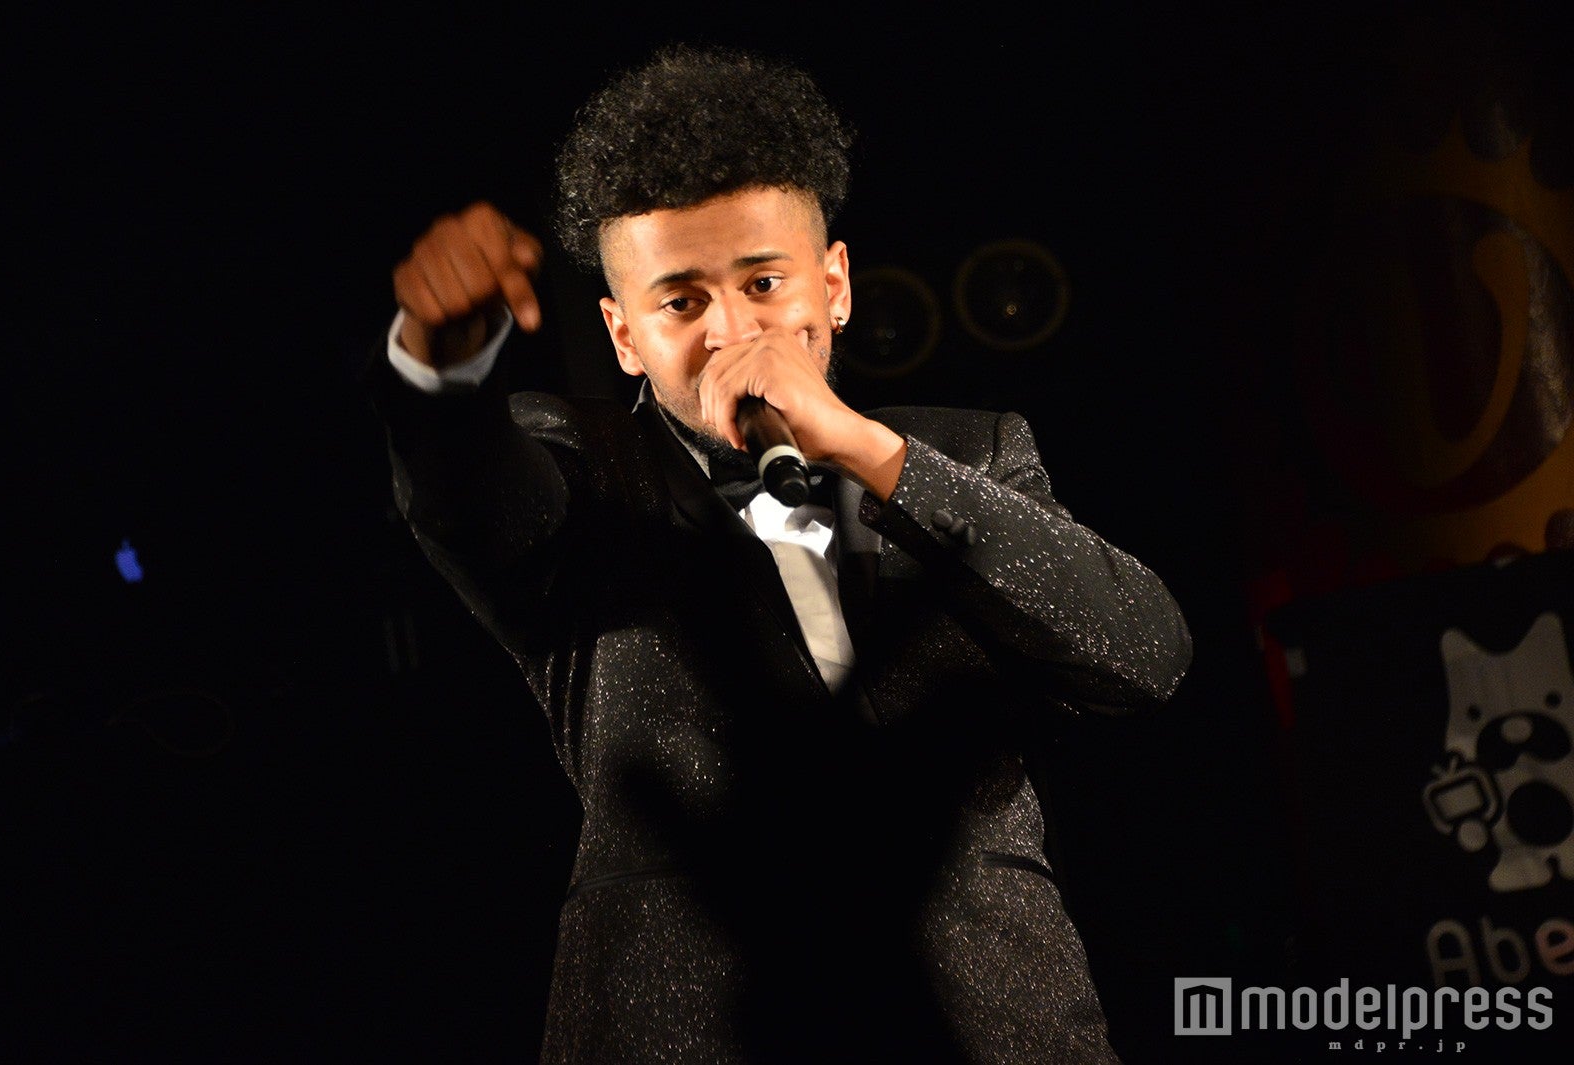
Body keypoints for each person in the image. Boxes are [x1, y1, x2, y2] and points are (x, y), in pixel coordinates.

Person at [368, 43, 1191, 1065]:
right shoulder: (582, 474)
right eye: (681, 302)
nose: (732, 329)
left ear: (834, 284)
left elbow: (1143, 654)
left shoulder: (971, 453)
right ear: (623, 336)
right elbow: (464, 489)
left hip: (982, 1024)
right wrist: (439, 362)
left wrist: (867, 451)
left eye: (764, 281)